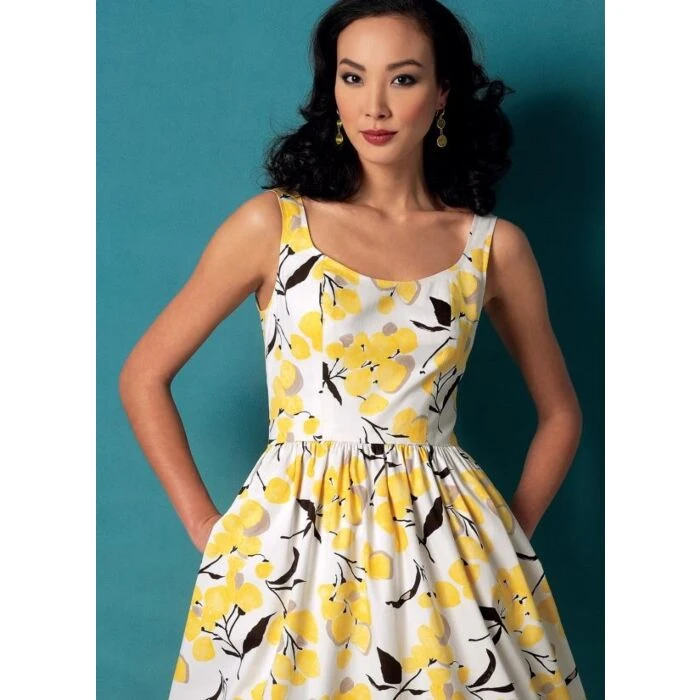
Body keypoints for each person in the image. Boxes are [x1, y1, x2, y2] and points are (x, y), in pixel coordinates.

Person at [119, 1, 587, 697]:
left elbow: (561, 414)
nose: (375, 105)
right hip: (288, 548)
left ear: (442, 93)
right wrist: (207, 526)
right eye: (352, 76)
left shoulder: (493, 248)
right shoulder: (273, 225)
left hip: (448, 552)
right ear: (331, 89)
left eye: (403, 78)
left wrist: (502, 539)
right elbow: (143, 375)